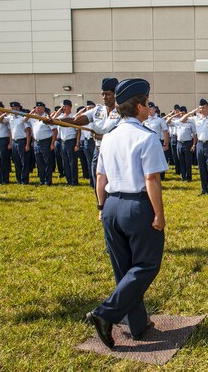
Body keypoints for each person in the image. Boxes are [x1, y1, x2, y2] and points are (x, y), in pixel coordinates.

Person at [87, 78, 168, 349]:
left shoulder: (108, 137)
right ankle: (105, 313)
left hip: (111, 205)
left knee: (124, 270)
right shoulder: (147, 137)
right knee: (146, 265)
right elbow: (152, 179)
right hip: (137, 206)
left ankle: (137, 325)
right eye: (147, 103)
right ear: (138, 106)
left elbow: (100, 177)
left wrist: (101, 208)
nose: (149, 108)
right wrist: (159, 214)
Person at [55, 78, 120, 188]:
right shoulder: (97, 110)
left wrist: (100, 136)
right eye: (102, 94)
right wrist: (56, 121)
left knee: (114, 184)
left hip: (115, 153)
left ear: (115, 94)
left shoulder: (123, 112)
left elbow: (122, 134)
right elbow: (76, 121)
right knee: (97, 182)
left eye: (108, 94)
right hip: (98, 151)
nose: (104, 97)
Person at [181, 99, 208, 195]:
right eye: (200, 108)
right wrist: (191, 112)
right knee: (201, 168)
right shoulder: (196, 119)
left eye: (203, 107)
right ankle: (204, 189)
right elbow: (182, 120)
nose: (202, 109)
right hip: (200, 144)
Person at [25, 102, 58, 185]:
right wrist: (31, 113)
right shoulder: (33, 118)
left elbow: (55, 131)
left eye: (39, 108)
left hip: (46, 142)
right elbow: (24, 120)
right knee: (39, 163)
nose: (37, 109)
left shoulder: (47, 118)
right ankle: (42, 180)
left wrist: (52, 144)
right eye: (36, 108)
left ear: (43, 109)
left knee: (47, 163)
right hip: (37, 142)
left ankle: (48, 181)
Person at [2, 102, 32, 184]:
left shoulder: (23, 117)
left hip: (22, 140)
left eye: (15, 108)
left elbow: (28, 131)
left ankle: (24, 180)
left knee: (24, 161)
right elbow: (0, 121)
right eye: (12, 108)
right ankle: (19, 179)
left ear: (19, 108)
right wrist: (11, 143)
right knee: (16, 161)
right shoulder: (10, 118)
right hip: (14, 141)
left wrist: (27, 144)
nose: (14, 110)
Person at [52, 99, 80, 186]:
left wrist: (77, 144)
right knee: (65, 162)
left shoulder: (73, 117)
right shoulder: (62, 117)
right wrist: (59, 111)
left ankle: (74, 181)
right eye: (63, 106)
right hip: (63, 142)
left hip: (71, 141)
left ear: (70, 107)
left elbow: (78, 131)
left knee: (72, 162)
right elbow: (53, 119)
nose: (64, 108)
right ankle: (68, 180)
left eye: (66, 106)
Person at [143, 107, 169, 180]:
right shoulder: (145, 120)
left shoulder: (160, 120)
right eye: (149, 109)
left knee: (159, 159)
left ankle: (161, 176)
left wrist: (165, 143)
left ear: (154, 109)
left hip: (157, 142)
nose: (149, 110)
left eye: (151, 109)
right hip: (147, 143)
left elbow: (165, 131)